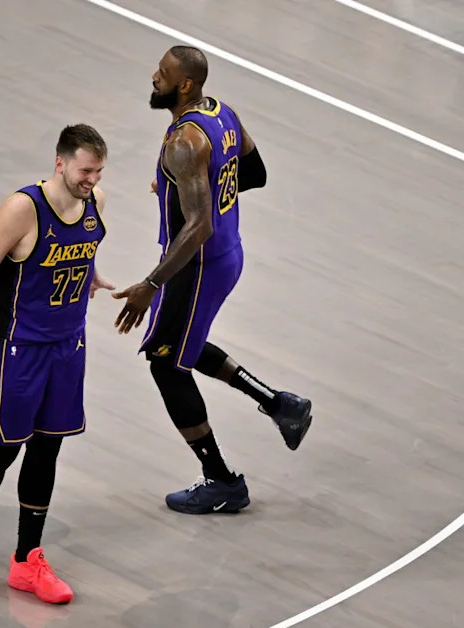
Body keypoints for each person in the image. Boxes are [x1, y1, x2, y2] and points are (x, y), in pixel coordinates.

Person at [112, 46, 313, 515]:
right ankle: (281, 405)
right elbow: (255, 173)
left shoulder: (184, 142)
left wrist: (150, 284)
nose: (153, 77)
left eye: (162, 74)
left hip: (196, 265)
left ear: (184, 84)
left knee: (165, 362)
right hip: (227, 253)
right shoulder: (221, 113)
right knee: (184, 341)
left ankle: (222, 481)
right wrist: (185, 187)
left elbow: (197, 225)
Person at [0, 124, 114, 604]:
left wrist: (89, 276)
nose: (92, 178)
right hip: (17, 347)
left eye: (98, 170)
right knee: (2, 449)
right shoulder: (23, 208)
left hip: (67, 347)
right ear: (60, 162)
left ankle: (26, 559)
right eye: (85, 169)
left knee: (47, 450)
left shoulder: (95, 199)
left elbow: (84, 245)